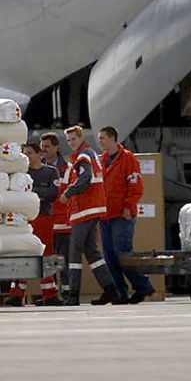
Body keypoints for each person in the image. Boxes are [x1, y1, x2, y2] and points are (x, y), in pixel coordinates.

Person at [57, 125, 120, 306]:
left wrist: (68, 193)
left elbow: (85, 179)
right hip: (93, 209)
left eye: (73, 139)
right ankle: (111, 291)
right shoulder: (90, 154)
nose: (71, 143)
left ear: (81, 138)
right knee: (92, 253)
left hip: (86, 209)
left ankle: (73, 295)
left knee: (74, 252)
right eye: (68, 140)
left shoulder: (84, 156)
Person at [97, 126, 156, 304]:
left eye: (102, 138)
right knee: (109, 256)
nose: (99, 141)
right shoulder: (103, 160)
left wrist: (128, 207)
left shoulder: (127, 159)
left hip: (121, 215)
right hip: (105, 215)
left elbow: (136, 186)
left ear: (112, 138)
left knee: (122, 254)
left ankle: (143, 286)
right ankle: (120, 292)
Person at [4, 142, 63, 307]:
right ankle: (16, 295)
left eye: (29, 153)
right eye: (25, 153)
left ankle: (50, 294)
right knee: (23, 254)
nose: (27, 157)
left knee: (45, 255)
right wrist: (38, 194)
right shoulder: (22, 173)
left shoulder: (51, 172)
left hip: (44, 217)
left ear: (39, 155)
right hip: (25, 219)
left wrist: (32, 193)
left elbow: (53, 193)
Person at [42, 132, 72, 302]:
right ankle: (52, 295)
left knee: (65, 262)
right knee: (49, 261)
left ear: (56, 147)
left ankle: (67, 293)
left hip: (65, 223)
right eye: (42, 147)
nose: (43, 150)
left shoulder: (67, 169)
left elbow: (65, 196)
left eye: (47, 146)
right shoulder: (40, 168)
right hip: (49, 223)